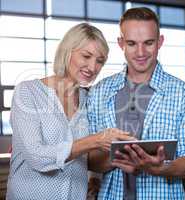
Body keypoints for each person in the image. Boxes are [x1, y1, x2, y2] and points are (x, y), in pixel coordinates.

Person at [6, 23, 135, 200]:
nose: (92, 67)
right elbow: (37, 156)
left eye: (99, 61)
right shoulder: (28, 92)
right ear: (67, 51)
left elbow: (89, 160)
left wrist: (123, 157)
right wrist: (97, 140)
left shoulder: (90, 100)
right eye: (86, 56)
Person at [87, 7, 185, 200]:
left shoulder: (183, 93)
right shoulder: (99, 91)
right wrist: (119, 157)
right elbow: (90, 160)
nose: (140, 52)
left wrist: (160, 168)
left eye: (148, 43)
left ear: (160, 42)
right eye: (132, 43)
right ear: (121, 43)